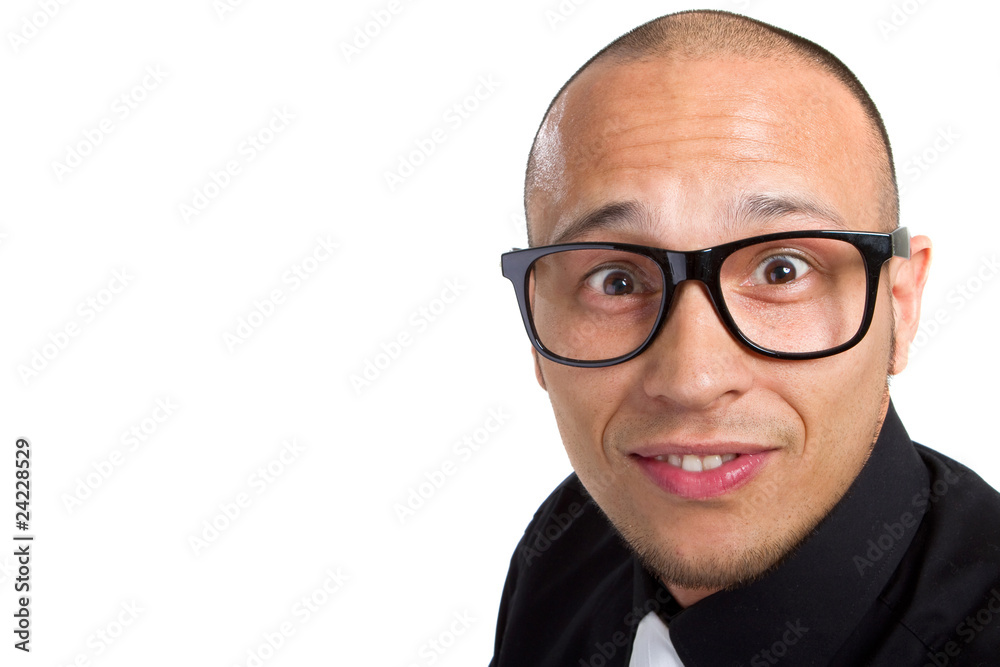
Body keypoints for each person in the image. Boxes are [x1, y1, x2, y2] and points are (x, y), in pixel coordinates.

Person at [490, 9, 1000, 667]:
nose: (692, 380)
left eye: (781, 270)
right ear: (534, 322)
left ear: (899, 306)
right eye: (616, 281)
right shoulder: (565, 547)